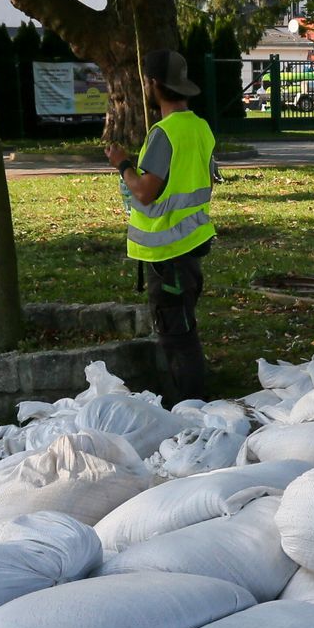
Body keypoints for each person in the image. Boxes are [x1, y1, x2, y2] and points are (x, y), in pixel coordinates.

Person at [104, 50, 216, 401]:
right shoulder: (200, 127)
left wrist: (123, 164)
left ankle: (190, 409)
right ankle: (191, 403)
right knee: (183, 328)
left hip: (168, 254)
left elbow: (146, 192)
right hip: (191, 244)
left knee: (177, 337)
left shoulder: (163, 133)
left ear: (152, 84)